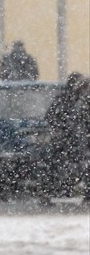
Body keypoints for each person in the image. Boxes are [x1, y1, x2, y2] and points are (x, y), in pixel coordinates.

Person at [42, 72, 90, 200]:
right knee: (59, 166)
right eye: (81, 85)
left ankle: (77, 191)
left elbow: (85, 119)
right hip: (63, 141)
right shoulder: (63, 99)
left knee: (81, 166)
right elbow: (50, 117)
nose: (83, 88)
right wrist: (63, 127)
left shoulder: (83, 100)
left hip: (78, 141)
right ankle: (52, 192)